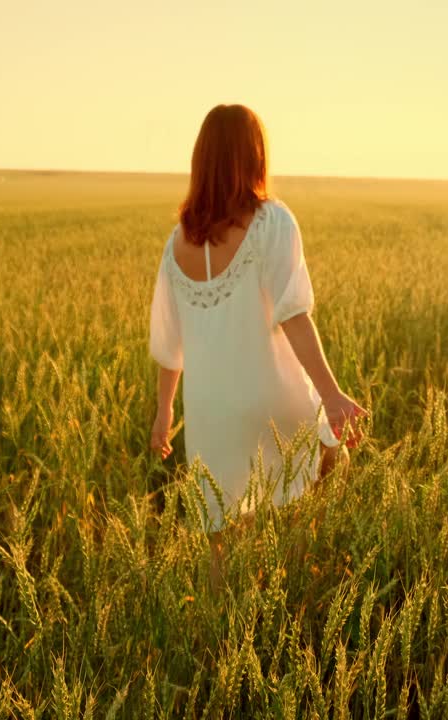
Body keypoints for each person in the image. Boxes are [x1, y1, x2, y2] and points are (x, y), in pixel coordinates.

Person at [148, 104, 367, 533]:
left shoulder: (178, 241)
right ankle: (296, 589)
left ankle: (223, 602)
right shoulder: (272, 222)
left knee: (222, 531)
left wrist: (163, 412)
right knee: (307, 500)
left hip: (212, 416)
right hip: (274, 402)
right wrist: (332, 394)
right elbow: (294, 314)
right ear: (255, 156)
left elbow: (168, 345)